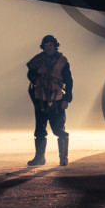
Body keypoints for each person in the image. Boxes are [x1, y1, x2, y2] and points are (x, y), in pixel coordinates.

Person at [25, 34, 73, 167]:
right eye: (46, 46)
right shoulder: (38, 60)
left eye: (50, 45)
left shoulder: (63, 61)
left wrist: (67, 99)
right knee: (40, 131)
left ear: (55, 46)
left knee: (59, 130)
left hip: (57, 99)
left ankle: (63, 158)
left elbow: (68, 81)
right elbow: (30, 75)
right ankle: (39, 158)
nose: (48, 48)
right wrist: (37, 73)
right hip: (40, 99)